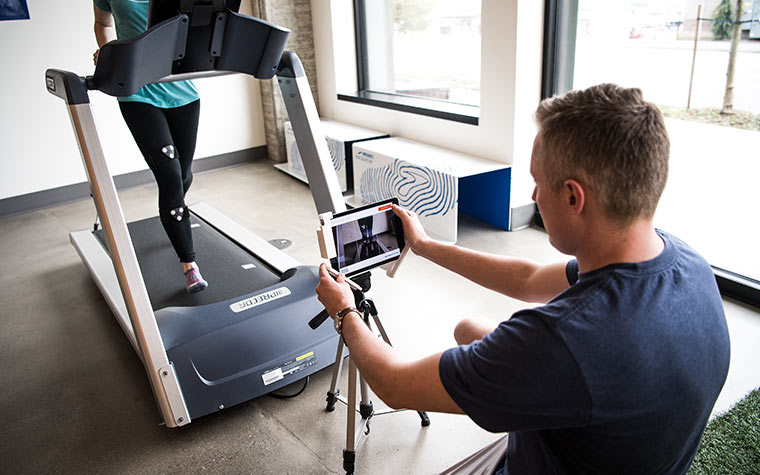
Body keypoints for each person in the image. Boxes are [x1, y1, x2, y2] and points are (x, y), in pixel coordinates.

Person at [316, 83, 730, 474]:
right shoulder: (686, 263)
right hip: (621, 444)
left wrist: (345, 311)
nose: (533, 197)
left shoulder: (561, 344)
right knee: (468, 329)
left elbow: (393, 384)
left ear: (573, 197)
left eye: (537, 182)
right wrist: (426, 247)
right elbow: (530, 278)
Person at [93, 0, 207, 293]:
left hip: (183, 90)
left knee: (183, 177)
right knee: (169, 178)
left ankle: (172, 210)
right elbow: (104, 24)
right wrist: (108, 55)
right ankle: (190, 265)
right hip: (138, 95)